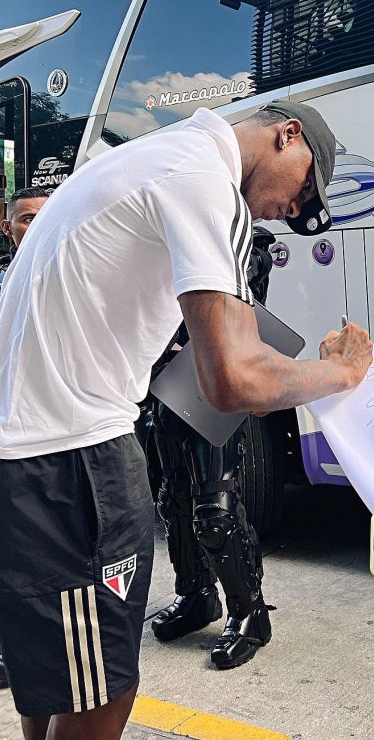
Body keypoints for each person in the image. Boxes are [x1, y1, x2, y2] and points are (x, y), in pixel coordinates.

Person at [0, 101, 372, 740]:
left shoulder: (150, 157)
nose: (290, 210)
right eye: (304, 188)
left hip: (24, 452)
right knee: (104, 686)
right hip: (72, 458)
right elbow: (234, 381)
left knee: (56, 668)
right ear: (288, 136)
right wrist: (342, 373)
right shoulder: (204, 176)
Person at [147, 230, 278, 670]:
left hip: (209, 383)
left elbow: (240, 313)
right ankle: (196, 596)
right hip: (163, 389)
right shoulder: (156, 241)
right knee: (172, 500)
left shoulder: (237, 242)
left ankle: (249, 614)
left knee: (215, 511)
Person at [0, 185, 51, 691]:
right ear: (7, 226)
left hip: (38, 442)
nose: (34, 226)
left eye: (44, 217)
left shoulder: (64, 276)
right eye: (25, 219)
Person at [0, 186, 49, 291]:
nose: (40, 225)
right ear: (7, 227)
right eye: (29, 220)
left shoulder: (71, 267)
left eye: (47, 218)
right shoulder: (3, 278)